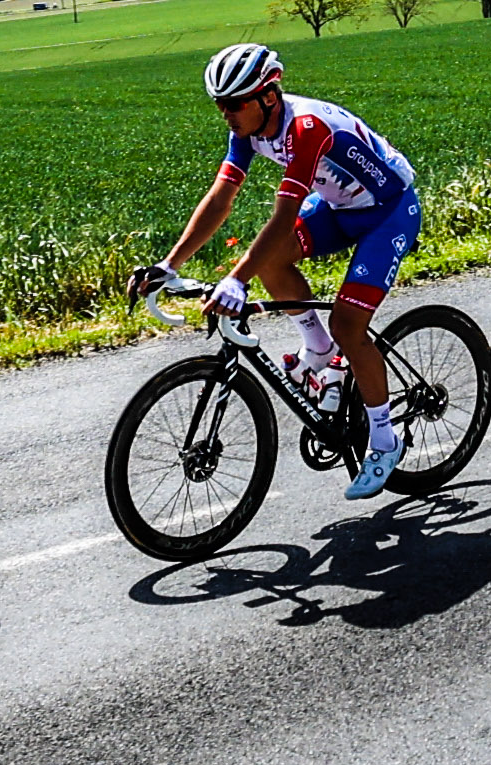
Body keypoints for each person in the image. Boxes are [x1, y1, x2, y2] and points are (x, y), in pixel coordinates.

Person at [159, 43, 421, 497]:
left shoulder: (307, 127)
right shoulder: (246, 130)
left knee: (349, 323)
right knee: (274, 260)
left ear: (267, 96)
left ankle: (384, 438)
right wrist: (168, 265)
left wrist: (236, 279)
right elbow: (221, 197)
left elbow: (283, 215)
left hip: (387, 211)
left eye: (234, 103)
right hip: (341, 206)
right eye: (220, 104)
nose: (227, 113)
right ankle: (317, 350)